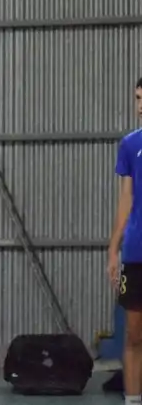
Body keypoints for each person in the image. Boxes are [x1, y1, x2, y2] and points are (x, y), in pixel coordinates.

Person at [108, 77, 142, 405]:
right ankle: (133, 400)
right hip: (136, 253)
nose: (141, 103)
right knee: (134, 335)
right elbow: (126, 198)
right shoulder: (131, 144)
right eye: (137, 97)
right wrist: (113, 248)